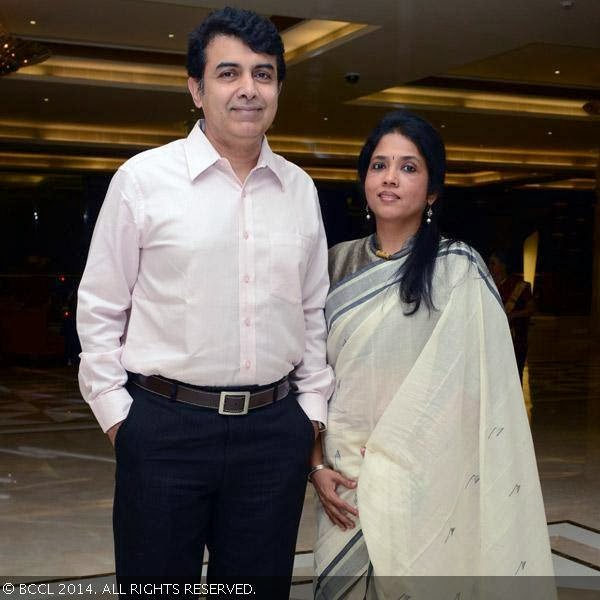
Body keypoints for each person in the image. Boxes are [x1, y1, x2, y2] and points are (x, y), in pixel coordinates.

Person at [76, 7, 333, 596]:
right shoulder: (143, 180)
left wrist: (310, 414)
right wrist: (121, 419)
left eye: (264, 74)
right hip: (164, 429)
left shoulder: (299, 189)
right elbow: (99, 306)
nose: (249, 88)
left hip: (274, 434)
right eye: (228, 73)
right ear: (196, 89)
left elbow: (312, 310)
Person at [309, 111, 554, 599]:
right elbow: (311, 374)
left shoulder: (457, 268)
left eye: (408, 167)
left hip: (426, 475)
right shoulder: (334, 264)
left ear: (433, 190)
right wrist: (314, 464)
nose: (390, 179)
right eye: (379, 166)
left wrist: (411, 452)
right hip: (343, 478)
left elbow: (479, 388)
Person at [489, 250, 536, 381]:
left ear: (503, 266)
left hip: (515, 341)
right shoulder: (487, 286)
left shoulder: (519, 285)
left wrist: (514, 315)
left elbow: (531, 309)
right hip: (493, 342)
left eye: (493, 264)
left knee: (514, 377)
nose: (489, 267)